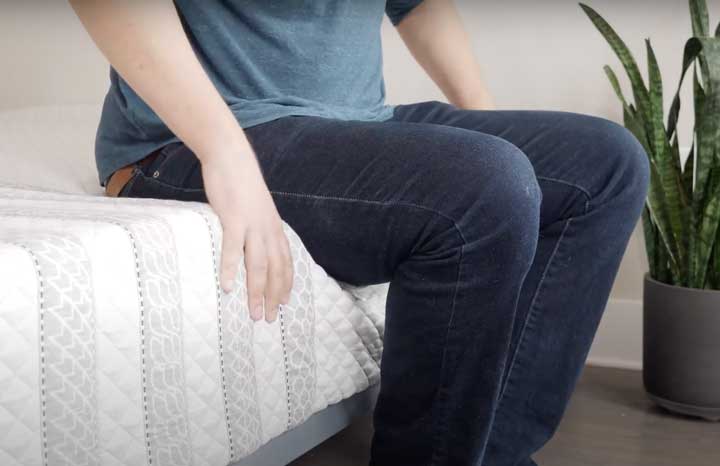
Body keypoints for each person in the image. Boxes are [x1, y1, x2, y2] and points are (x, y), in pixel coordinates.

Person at [70, 1, 649, 465]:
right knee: (485, 188)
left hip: (357, 120)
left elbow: (417, 4)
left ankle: (494, 454)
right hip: (200, 137)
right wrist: (225, 151)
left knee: (609, 164)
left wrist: (490, 128)